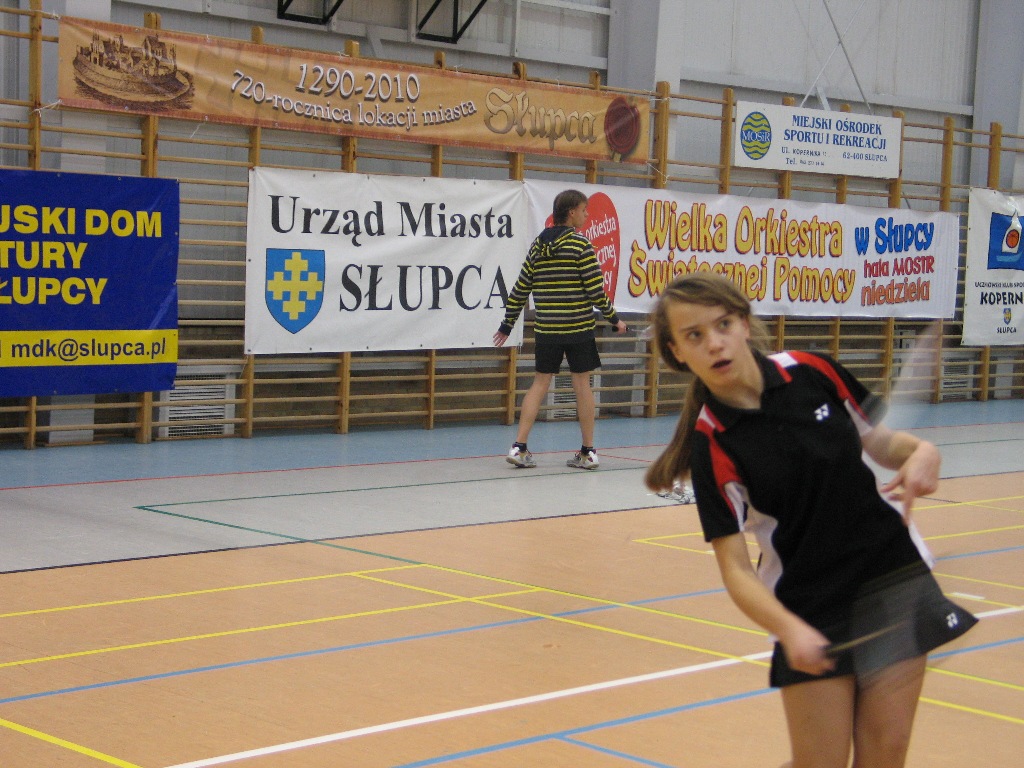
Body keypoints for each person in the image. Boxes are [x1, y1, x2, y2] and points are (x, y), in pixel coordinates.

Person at [644, 272, 976, 768]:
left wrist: (922, 451)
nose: (714, 342)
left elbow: (881, 443)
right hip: (809, 607)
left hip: (892, 578)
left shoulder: (813, 371)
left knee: (885, 755)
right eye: (695, 335)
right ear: (677, 352)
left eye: (723, 324)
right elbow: (736, 569)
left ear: (745, 323)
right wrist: (788, 628)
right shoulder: (712, 445)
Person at [493, 189, 627, 470]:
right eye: (584, 210)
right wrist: (615, 320)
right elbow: (595, 291)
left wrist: (507, 324)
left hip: (547, 330)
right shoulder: (581, 245)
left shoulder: (537, 246)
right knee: (582, 385)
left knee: (540, 383)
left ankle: (519, 447)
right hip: (579, 328)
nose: (586, 215)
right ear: (571, 212)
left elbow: (521, 288)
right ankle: (588, 452)